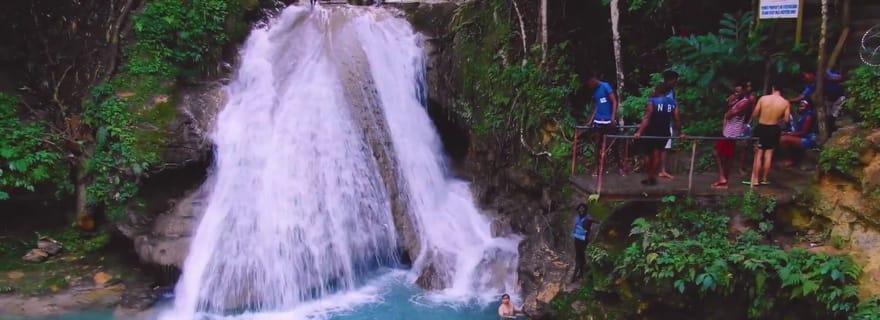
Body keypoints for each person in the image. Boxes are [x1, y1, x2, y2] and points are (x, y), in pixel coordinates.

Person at [634, 84, 684, 186]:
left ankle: (650, 176)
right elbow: (677, 119)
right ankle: (650, 177)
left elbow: (647, 118)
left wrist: (639, 131)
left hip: (652, 131)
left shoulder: (652, 101)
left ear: (656, 91)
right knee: (657, 155)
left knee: (646, 154)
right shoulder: (673, 103)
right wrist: (680, 132)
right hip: (664, 132)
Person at [745, 83, 791, 186]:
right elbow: (787, 119)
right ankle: (765, 178)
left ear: (773, 88)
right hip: (774, 128)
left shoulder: (763, 98)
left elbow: (755, 114)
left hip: (762, 127)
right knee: (769, 153)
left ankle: (755, 179)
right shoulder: (785, 102)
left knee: (758, 153)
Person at [712, 84, 750, 189]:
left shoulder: (745, 102)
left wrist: (731, 106)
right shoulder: (737, 102)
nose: (736, 94)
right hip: (727, 132)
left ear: (744, 91)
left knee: (719, 153)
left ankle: (723, 179)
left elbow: (729, 115)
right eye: (735, 92)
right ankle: (723, 180)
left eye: (738, 92)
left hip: (731, 133)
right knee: (725, 156)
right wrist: (730, 105)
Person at [585, 75, 622, 176]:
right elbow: (598, 106)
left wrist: (613, 117)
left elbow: (614, 101)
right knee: (597, 145)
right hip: (598, 120)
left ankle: (620, 167)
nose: (590, 86)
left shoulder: (606, 86)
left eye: (590, 84)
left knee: (613, 145)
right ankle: (597, 168)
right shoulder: (596, 91)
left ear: (593, 80)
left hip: (608, 120)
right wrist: (591, 120)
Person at [779, 100, 818, 168]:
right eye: (800, 106)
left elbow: (804, 132)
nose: (800, 107)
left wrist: (789, 134)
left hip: (808, 139)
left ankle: (790, 160)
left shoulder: (809, 116)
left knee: (783, 139)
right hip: (802, 137)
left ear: (807, 107)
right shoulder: (802, 115)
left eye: (802, 106)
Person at [571, 203, 601, 282]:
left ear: (585, 210)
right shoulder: (577, 218)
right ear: (578, 210)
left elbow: (596, 221)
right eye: (580, 208)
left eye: (583, 208)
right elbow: (574, 227)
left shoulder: (588, 218)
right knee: (579, 256)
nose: (581, 210)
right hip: (577, 239)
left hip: (584, 240)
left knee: (582, 256)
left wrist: (600, 223)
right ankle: (580, 273)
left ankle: (579, 273)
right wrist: (573, 233)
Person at [659, 70, 679, 179]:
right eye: (675, 80)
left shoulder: (672, 91)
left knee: (665, 147)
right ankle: (658, 169)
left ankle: (663, 170)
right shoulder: (660, 91)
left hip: (667, 122)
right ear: (670, 80)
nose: (676, 82)